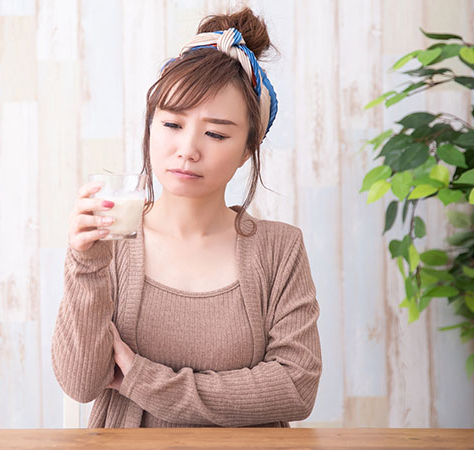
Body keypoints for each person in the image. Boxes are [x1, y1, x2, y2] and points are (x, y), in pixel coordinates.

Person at [51, 8, 322, 428]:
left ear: (248, 147)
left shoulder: (279, 249)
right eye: (172, 124)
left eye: (216, 133)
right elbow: (81, 384)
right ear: (151, 127)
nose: (188, 149)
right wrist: (85, 264)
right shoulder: (112, 241)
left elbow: (295, 389)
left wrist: (145, 380)